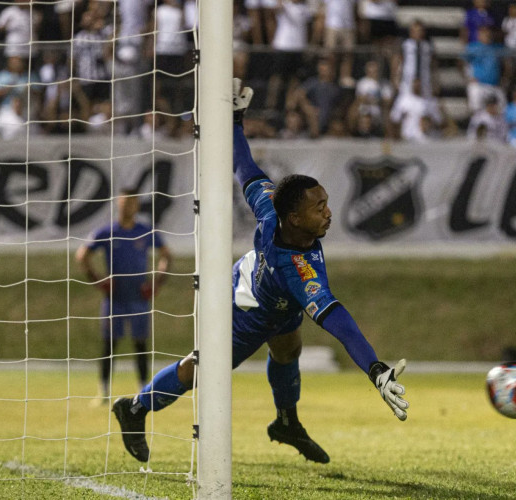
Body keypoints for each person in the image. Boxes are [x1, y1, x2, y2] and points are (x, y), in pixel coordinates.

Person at [111, 79, 410, 464]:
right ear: (295, 217)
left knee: (288, 347)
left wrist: (235, 120)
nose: (328, 212)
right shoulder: (299, 268)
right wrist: (375, 370)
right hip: (251, 311)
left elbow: (244, 166)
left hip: (264, 286)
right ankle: (135, 408)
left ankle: (287, 422)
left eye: (326, 203)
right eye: (319, 207)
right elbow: (335, 317)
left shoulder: (272, 207)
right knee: (202, 369)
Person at [76, 190, 172, 406]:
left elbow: (166, 255)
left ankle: (144, 390)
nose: (128, 206)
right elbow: (82, 255)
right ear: (118, 204)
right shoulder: (108, 231)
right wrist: (98, 281)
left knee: (141, 344)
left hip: (139, 298)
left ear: (137, 205)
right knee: (109, 345)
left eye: (132, 202)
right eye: (124, 203)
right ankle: (103, 391)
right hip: (115, 299)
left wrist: (156, 284)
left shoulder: (145, 231)